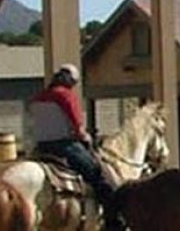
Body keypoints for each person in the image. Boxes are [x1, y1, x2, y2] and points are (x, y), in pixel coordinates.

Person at [29, 63, 118, 209]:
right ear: (71, 81)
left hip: (41, 147)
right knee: (97, 174)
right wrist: (87, 138)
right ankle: (112, 218)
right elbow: (78, 127)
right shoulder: (66, 95)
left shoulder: (39, 97)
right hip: (64, 146)